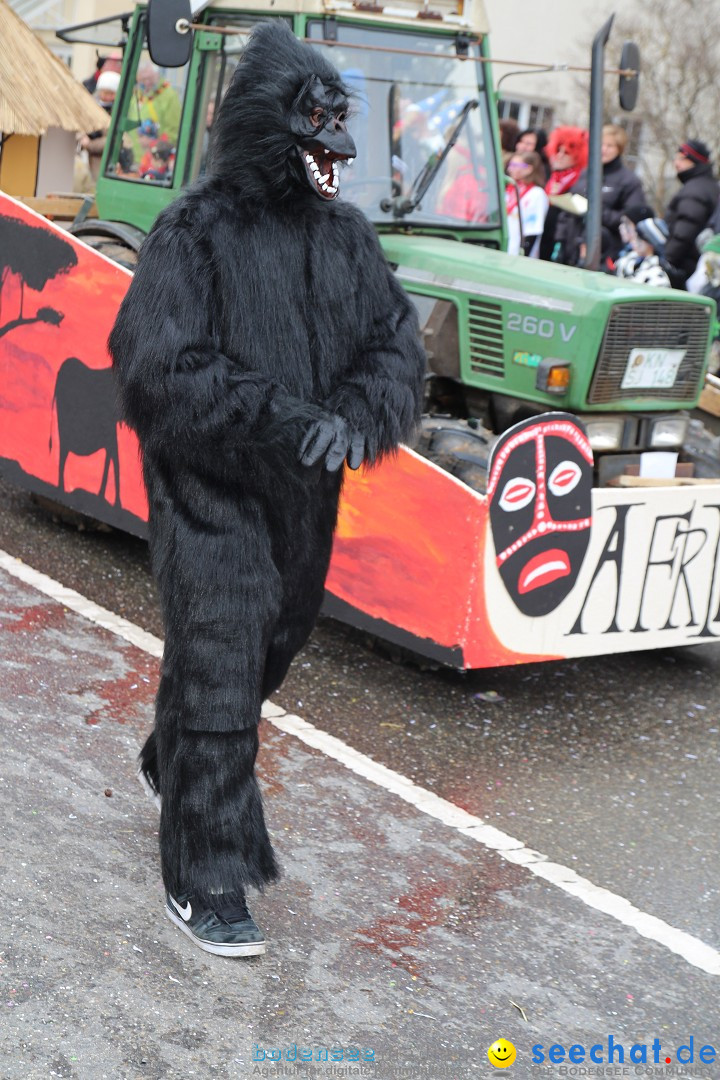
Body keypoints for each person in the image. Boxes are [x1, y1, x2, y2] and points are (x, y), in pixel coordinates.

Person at [108, 22, 426, 959]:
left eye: (341, 118)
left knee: (266, 653)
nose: (338, 144)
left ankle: (176, 759)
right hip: (208, 488)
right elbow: (157, 369)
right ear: (266, 123)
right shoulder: (192, 234)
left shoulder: (348, 240)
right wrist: (284, 416)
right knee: (220, 660)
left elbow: (394, 347)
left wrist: (360, 417)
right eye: (316, 118)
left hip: (303, 501)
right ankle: (207, 870)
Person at [552, 124, 645, 269]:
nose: (604, 149)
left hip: (603, 252)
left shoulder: (628, 180)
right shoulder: (586, 173)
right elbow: (567, 211)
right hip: (572, 247)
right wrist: (559, 240)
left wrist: (596, 213)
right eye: (601, 144)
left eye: (610, 146)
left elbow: (631, 218)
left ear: (618, 149)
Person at [664, 139, 720, 288]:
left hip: (686, 265)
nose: (676, 163)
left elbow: (684, 230)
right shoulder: (706, 185)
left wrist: (667, 260)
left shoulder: (695, 189)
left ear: (695, 160)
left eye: (682, 158)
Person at [539, 125, 588, 261]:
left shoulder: (580, 181)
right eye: (558, 150)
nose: (559, 156)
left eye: (566, 153)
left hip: (563, 241)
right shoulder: (553, 176)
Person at [79, 69, 120, 184]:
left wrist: (89, 144)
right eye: (104, 93)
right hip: (85, 158)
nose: (107, 97)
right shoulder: (91, 106)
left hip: (102, 160)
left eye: (111, 94)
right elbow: (79, 126)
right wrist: (82, 138)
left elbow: (113, 140)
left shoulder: (117, 112)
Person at [505, 151, 549, 256]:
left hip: (520, 253)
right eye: (510, 165)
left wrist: (523, 255)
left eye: (516, 165)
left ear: (529, 169)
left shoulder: (537, 194)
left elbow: (534, 230)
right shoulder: (510, 189)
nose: (510, 169)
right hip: (504, 248)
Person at [615, 206, 672, 288]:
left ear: (651, 243)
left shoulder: (656, 273)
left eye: (640, 238)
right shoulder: (630, 261)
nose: (636, 241)